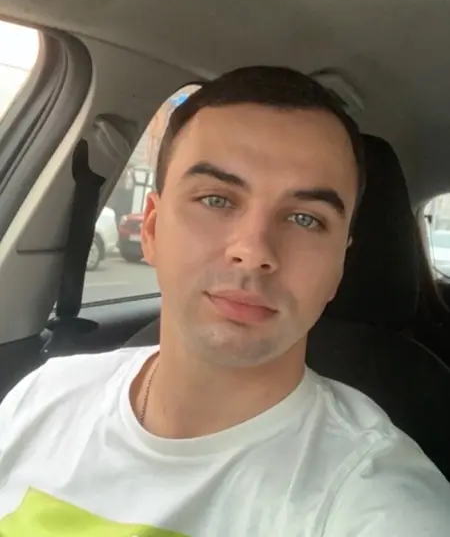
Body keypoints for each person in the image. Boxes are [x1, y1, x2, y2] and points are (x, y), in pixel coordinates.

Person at [0, 66, 449, 535]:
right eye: (216, 200)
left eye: (305, 219)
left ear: (340, 265)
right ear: (151, 229)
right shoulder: (43, 398)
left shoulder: (379, 503)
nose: (254, 252)